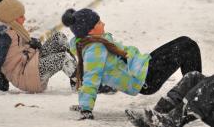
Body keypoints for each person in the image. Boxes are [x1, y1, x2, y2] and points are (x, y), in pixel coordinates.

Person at [61, 8, 202, 120]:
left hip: (143, 66)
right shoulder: (95, 49)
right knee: (188, 47)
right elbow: (91, 77)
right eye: (98, 23)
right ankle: (198, 98)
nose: (103, 24)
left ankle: (196, 93)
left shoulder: (95, 42)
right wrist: (86, 108)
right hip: (145, 79)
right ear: (90, 31)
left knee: (186, 41)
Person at [0, 0, 77, 94]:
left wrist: (32, 43)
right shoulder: (2, 37)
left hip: (31, 63)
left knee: (59, 38)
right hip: (26, 75)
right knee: (63, 58)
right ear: (11, 18)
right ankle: (84, 85)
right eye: (21, 16)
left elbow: (19, 47)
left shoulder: (15, 29)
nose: (24, 18)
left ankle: (77, 75)